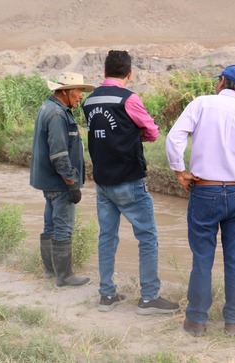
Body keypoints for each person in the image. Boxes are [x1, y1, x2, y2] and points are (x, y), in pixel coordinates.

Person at [165, 64, 235, 336]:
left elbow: (174, 137)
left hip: (205, 191)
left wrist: (179, 171)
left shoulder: (202, 104)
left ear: (222, 81)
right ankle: (233, 323)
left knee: (202, 258)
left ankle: (197, 321)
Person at [81, 50, 179, 315]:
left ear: (104, 72)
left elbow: (99, 133)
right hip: (129, 179)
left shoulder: (89, 101)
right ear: (129, 73)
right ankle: (148, 298)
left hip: (102, 181)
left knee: (107, 237)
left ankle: (107, 295)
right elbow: (152, 132)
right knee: (147, 237)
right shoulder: (129, 98)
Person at [30, 71, 94, 287]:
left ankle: (51, 272)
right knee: (63, 227)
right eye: (79, 91)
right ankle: (64, 276)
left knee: (50, 226)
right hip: (59, 182)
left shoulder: (48, 108)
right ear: (66, 92)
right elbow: (59, 154)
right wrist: (72, 182)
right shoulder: (58, 115)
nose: (81, 96)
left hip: (48, 181)